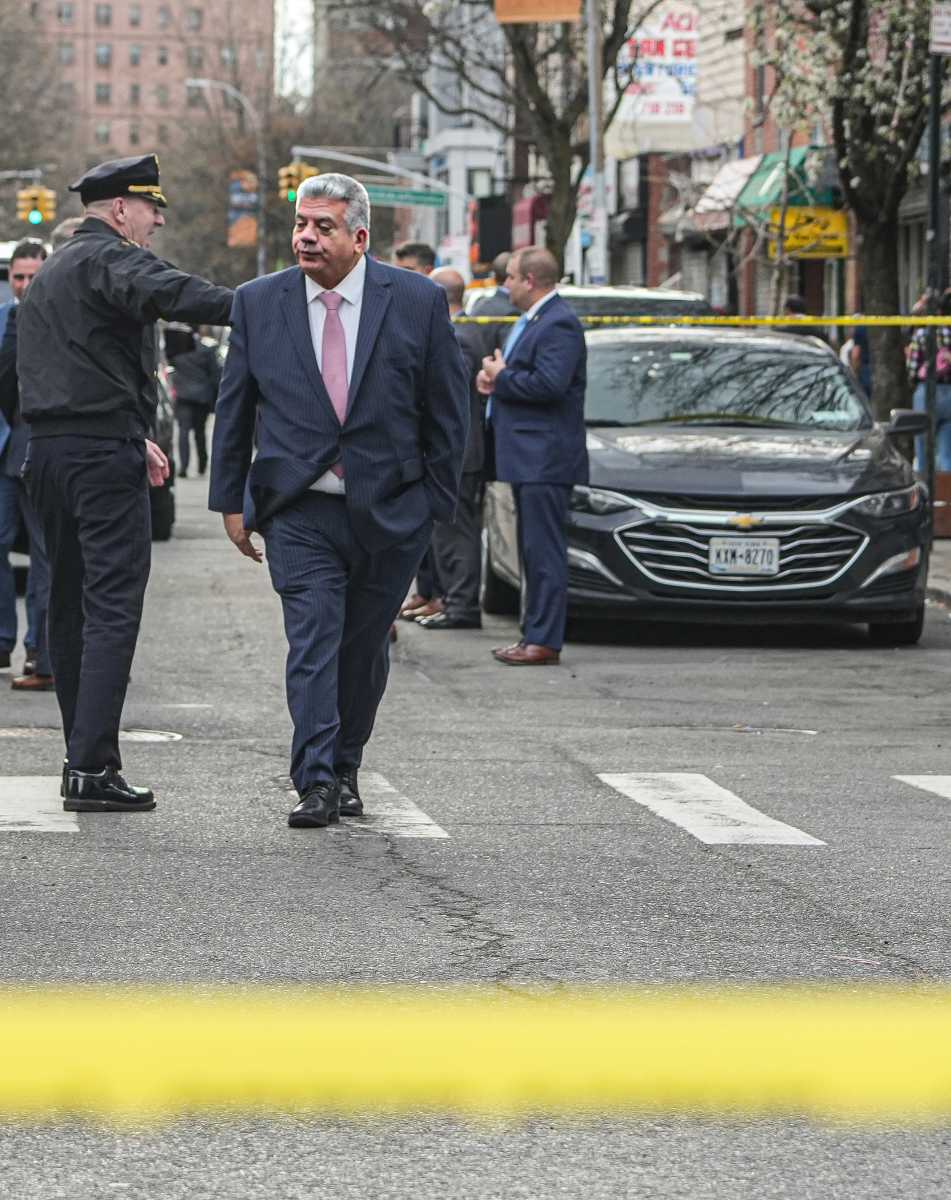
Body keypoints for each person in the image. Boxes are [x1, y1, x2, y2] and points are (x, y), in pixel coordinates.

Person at [209, 173, 467, 829]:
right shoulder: (259, 302)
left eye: (322, 227)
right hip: (299, 510)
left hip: (390, 509)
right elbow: (234, 410)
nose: (306, 237)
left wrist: (433, 502)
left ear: (358, 235)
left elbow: (447, 410)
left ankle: (347, 763)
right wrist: (230, 502)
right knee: (313, 641)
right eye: (301, 223)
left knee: (363, 649)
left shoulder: (414, 301)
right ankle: (315, 780)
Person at [17, 153, 234, 812]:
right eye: (151, 207)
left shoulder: (53, 269)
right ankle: (92, 767)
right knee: (111, 607)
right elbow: (181, 294)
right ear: (120, 210)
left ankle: (81, 761)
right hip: (96, 456)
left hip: (49, 453)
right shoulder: (108, 257)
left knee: (71, 607)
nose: (158, 219)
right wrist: (278, 303)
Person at [477, 247, 587, 666]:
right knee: (531, 549)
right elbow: (525, 378)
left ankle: (543, 639)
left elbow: (550, 386)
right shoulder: (532, 321)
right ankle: (532, 634)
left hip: (545, 458)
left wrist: (502, 377)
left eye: (510, 277)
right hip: (527, 456)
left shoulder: (558, 323)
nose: (505, 285)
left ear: (530, 281)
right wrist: (494, 382)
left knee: (543, 552)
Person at [420, 267, 485, 631]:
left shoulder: (457, 335)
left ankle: (461, 605)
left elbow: (447, 391)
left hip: (459, 454)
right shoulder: (463, 329)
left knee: (455, 533)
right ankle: (451, 601)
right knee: (448, 532)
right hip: (459, 453)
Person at [0, 239, 50, 685]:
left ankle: (40, 650)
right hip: (5, 453)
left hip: (41, 453)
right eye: (19, 277)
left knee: (44, 555)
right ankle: (3, 641)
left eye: (34, 276)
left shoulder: (56, 317)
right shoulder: (4, 318)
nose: (26, 285)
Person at [392, 240, 443, 619]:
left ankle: (439, 595)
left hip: (408, 473)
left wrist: (435, 498)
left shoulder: (428, 307)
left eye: (408, 270)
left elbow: (445, 409)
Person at [165, 324, 221, 477]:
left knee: (183, 430)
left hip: (183, 396)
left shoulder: (177, 350)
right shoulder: (206, 350)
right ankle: (202, 465)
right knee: (200, 432)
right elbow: (215, 376)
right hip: (202, 397)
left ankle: (183, 466)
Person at [908, 289, 951, 472]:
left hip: (925, 391)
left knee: (922, 450)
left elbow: (912, 369)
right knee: (947, 454)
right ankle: (946, 495)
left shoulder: (921, 335)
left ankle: (925, 494)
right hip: (949, 391)